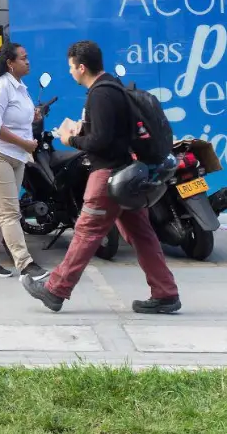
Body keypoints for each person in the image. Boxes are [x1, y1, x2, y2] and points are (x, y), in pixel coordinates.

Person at [22, 40, 181, 314]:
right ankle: (166, 293)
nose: (70, 72)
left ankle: (56, 289)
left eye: (71, 67)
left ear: (81, 67)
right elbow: (111, 133)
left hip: (108, 174)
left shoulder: (101, 94)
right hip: (126, 174)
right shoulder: (113, 88)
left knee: (86, 231)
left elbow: (101, 141)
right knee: (142, 235)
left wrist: (71, 139)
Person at [0, 42, 49, 281]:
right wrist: (24, 144)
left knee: (1, 209)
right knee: (10, 213)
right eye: (23, 58)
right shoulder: (0, 87)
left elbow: (16, 117)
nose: (28, 61)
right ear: (10, 63)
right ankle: (25, 263)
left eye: (27, 57)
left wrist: (33, 115)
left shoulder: (20, 87)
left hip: (14, 156)